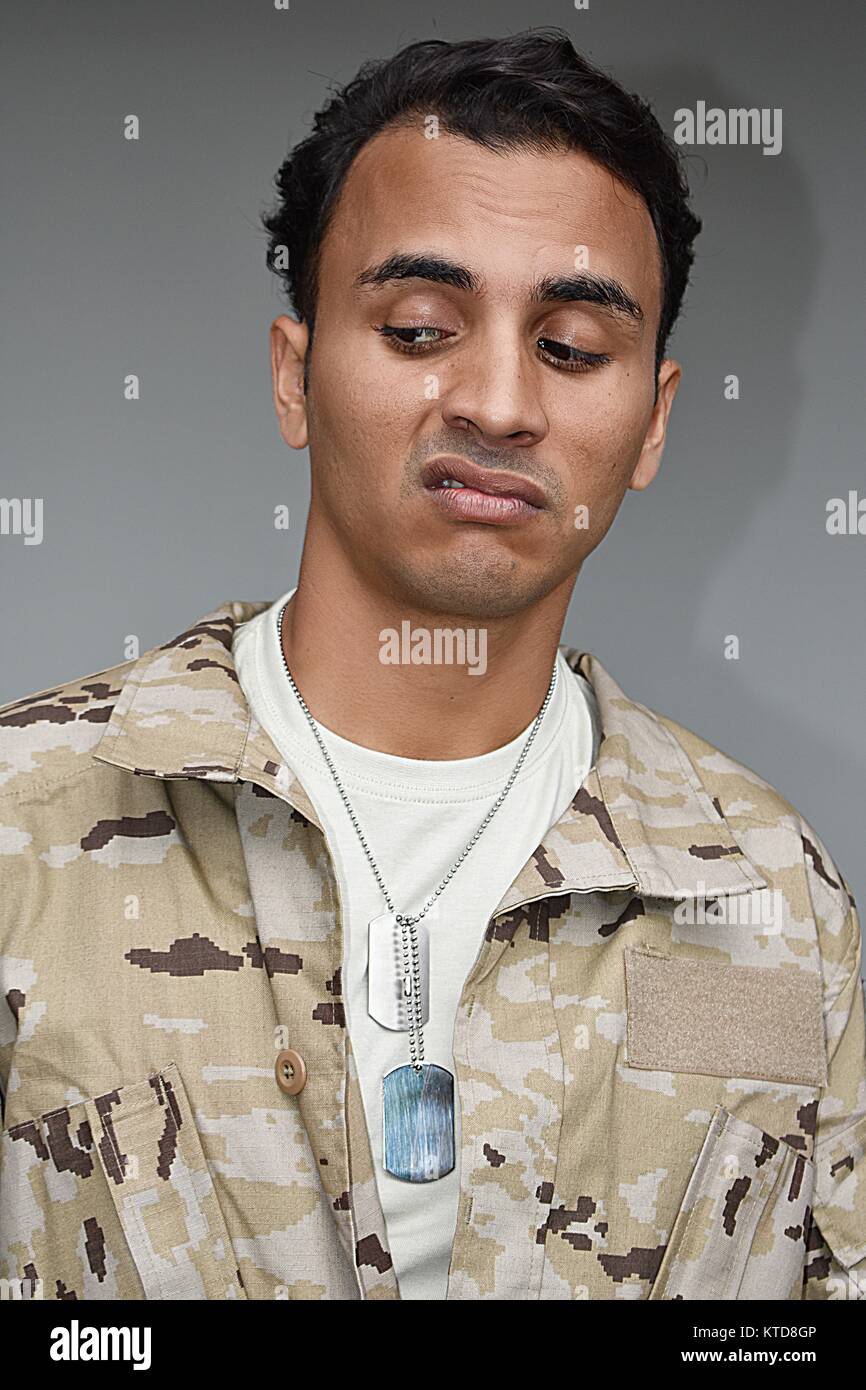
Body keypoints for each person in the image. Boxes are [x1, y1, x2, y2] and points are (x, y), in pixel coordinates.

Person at [0, 28, 863, 1303]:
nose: (498, 401)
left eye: (570, 347)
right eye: (418, 327)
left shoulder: (768, 897)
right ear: (296, 377)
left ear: (651, 423)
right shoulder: (26, 823)